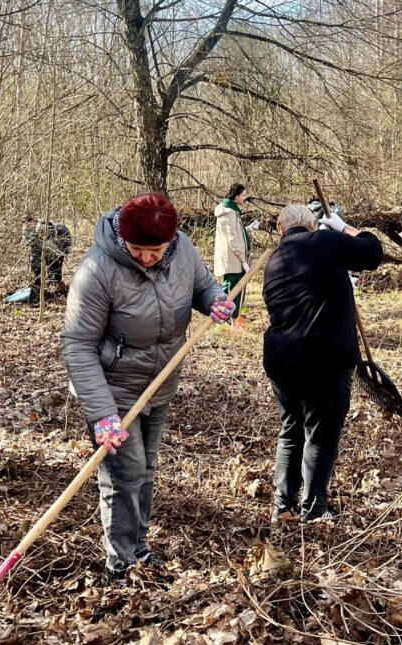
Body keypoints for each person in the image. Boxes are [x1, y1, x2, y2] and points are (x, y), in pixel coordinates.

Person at [61, 193, 235, 585]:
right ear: (124, 239)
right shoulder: (97, 270)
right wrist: (103, 413)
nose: (146, 258)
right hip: (112, 389)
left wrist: (215, 302)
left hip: (160, 381)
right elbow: (77, 345)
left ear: (170, 241)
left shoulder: (183, 250)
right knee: (126, 474)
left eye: (154, 250)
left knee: (147, 469)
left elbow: (202, 287)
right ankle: (120, 562)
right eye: (138, 249)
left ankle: (139, 547)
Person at [263, 204, 383, 523]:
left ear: (281, 231)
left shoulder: (275, 260)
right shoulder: (325, 243)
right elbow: (373, 252)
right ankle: (314, 509)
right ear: (314, 224)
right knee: (320, 432)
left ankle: (282, 506)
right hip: (324, 358)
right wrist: (344, 228)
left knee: (292, 430)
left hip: (281, 358)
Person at [214, 183, 253, 329]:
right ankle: (228, 319)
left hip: (236, 257)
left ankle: (233, 318)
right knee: (232, 288)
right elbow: (232, 238)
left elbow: (236, 232)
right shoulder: (229, 212)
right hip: (233, 258)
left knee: (235, 287)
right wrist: (243, 260)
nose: (245, 198)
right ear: (235, 196)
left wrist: (248, 229)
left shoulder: (232, 211)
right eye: (243, 195)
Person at [22, 213, 72, 292]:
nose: (27, 224)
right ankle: (37, 284)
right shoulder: (26, 230)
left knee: (54, 263)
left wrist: (58, 254)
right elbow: (25, 244)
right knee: (36, 262)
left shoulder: (43, 227)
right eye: (25, 222)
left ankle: (56, 285)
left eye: (29, 221)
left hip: (60, 243)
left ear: (34, 221)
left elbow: (53, 248)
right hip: (41, 246)